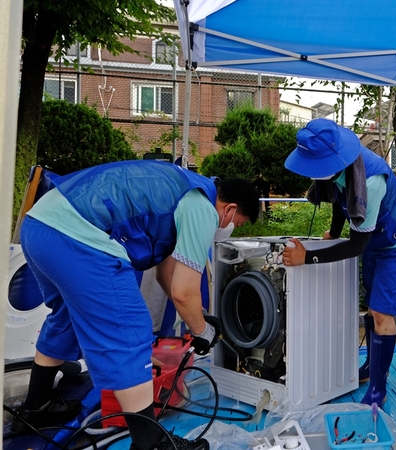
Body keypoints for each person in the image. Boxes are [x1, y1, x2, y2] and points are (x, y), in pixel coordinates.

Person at [13, 160, 259, 450]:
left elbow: (167, 275)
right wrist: (202, 331)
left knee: (65, 315)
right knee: (129, 329)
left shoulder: (184, 188)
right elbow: (183, 291)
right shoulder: (203, 208)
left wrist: (200, 318)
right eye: (237, 224)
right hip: (76, 236)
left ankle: (37, 405)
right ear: (229, 209)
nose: (230, 228)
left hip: (40, 225)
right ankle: (152, 443)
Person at [281, 119, 396, 408]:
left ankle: (379, 389)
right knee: (371, 306)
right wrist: (333, 234)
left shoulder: (370, 179)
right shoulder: (339, 170)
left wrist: (308, 257)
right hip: (374, 238)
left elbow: (357, 245)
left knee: (382, 313)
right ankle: (371, 366)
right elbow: (338, 201)